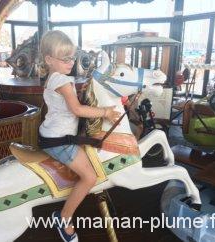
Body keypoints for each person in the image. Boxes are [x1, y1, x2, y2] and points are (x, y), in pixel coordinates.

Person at [39, 30, 120, 242]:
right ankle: (64, 217)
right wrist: (106, 112)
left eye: (72, 57)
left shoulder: (57, 77)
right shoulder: (61, 81)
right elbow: (77, 110)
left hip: (52, 133)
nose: (70, 61)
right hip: (59, 140)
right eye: (65, 58)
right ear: (49, 59)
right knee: (90, 177)